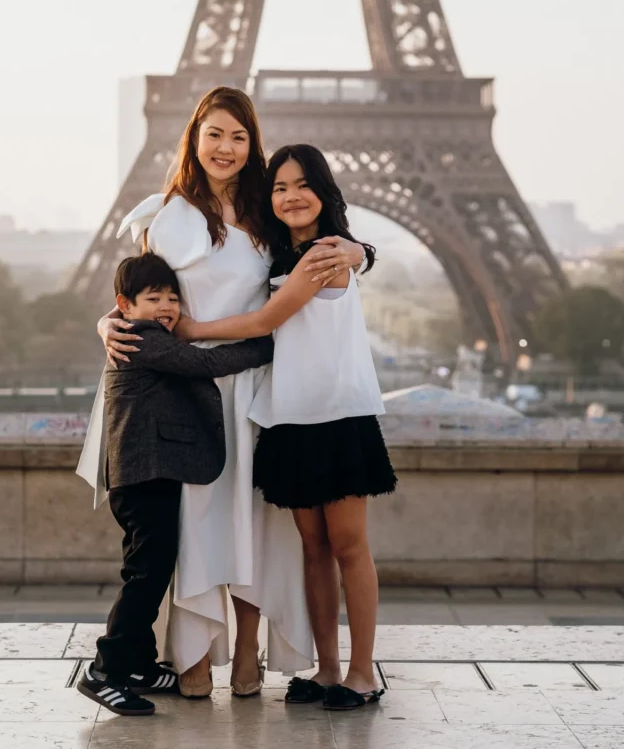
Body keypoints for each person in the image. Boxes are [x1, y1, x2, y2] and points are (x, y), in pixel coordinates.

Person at [77, 87, 367, 698]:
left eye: (239, 136)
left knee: (256, 525)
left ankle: (246, 652)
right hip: (185, 394)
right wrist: (108, 322)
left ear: (252, 143)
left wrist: (365, 252)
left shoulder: (269, 209)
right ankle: (193, 655)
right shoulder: (165, 215)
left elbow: (328, 250)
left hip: (257, 386)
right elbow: (141, 294)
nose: (226, 148)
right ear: (194, 138)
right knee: (199, 523)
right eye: (215, 134)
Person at [176, 144, 397, 712]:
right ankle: (327, 667)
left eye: (302, 185)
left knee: (348, 547)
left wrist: (192, 329)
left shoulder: (326, 253)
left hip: (338, 418)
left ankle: (363, 673)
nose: (291, 196)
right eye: (278, 188)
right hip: (291, 417)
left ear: (324, 191)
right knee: (314, 549)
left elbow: (268, 319)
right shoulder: (281, 253)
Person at [77, 252, 274, 716]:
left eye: (172, 297)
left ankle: (141, 665)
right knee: (145, 574)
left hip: (147, 474)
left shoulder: (140, 332)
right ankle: (107, 670)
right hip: (144, 477)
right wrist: (268, 346)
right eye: (153, 298)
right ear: (124, 306)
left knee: (153, 569)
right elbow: (207, 362)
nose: (165, 306)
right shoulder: (144, 339)